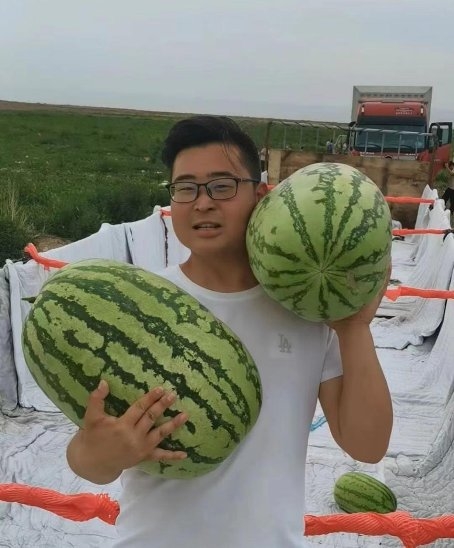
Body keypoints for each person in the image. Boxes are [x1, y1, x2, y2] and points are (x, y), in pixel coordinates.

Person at [66, 115, 393, 548]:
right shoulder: (136, 302)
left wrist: (354, 328)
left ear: (261, 195)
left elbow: (367, 446)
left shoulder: (307, 311)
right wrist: (102, 453)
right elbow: (86, 458)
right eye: (186, 188)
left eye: (222, 186)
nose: (202, 203)